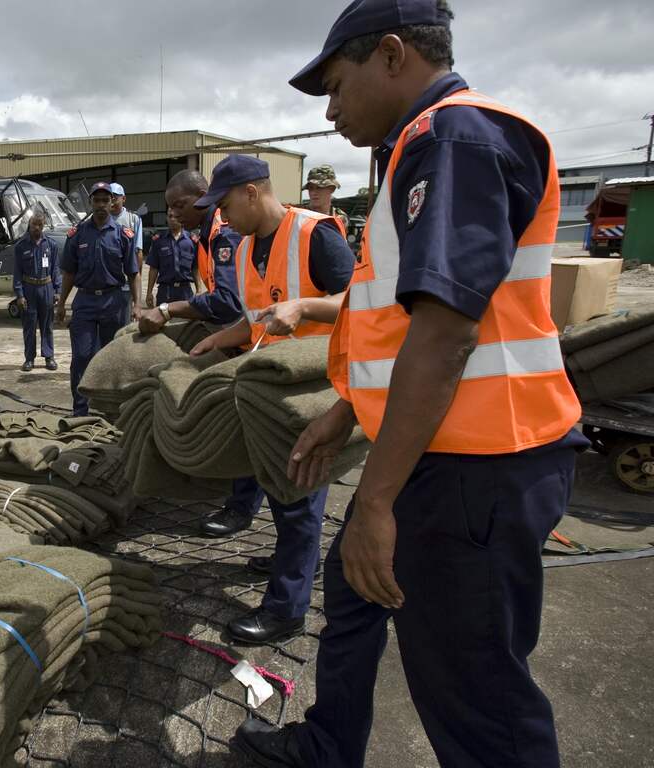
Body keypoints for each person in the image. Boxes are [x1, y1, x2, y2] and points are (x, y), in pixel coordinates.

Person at [232, 2, 588, 766]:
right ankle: (328, 746)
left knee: (477, 699)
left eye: (336, 85)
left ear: (393, 55)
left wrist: (377, 501)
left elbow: (447, 333)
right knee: (353, 589)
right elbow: (397, 320)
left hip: (477, 469)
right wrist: (345, 411)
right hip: (440, 451)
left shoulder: (452, 138)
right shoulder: (419, 151)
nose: (330, 111)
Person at [189, 154, 354, 645]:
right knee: (279, 487)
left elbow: (361, 304)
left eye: (224, 205)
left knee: (299, 493)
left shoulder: (314, 234)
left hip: (312, 387)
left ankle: (287, 610)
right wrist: (217, 340)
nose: (221, 216)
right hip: (270, 389)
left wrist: (304, 306)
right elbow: (255, 319)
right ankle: (294, 562)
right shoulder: (244, 249)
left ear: (252, 193)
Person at [139, 169, 263, 542]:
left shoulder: (223, 234)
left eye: (180, 204)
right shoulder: (206, 235)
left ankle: (241, 506)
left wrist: (170, 309)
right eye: (171, 207)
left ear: (202, 195)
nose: (175, 213)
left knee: (246, 426)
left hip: (254, 340)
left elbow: (228, 301)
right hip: (241, 334)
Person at [56, 182, 139, 416]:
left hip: (114, 303)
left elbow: (133, 273)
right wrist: (61, 303)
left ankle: (108, 410)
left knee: (111, 358)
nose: (101, 204)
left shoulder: (123, 235)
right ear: (90, 203)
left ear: (112, 202)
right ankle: (80, 411)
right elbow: (69, 273)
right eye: (97, 200)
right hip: (85, 302)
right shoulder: (77, 235)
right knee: (82, 356)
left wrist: (137, 304)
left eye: (105, 200)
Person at [13, 209, 61, 371]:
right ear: (30, 224)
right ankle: (29, 359)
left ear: (44, 225)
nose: (37, 228)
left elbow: (55, 269)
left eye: (40, 225)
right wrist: (19, 295)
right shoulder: (21, 246)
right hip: (29, 289)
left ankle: (49, 357)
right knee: (29, 326)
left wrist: (57, 291)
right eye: (34, 224)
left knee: (47, 325)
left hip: (46, 288)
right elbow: (17, 272)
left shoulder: (51, 245)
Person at [144, 209, 200, 308]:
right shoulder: (159, 241)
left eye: (176, 217)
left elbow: (195, 268)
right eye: (170, 216)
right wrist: (149, 292)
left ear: (182, 218)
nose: (173, 219)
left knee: (186, 317)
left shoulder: (191, 241)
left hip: (185, 292)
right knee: (163, 317)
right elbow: (153, 269)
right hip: (165, 292)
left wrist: (199, 290)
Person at [109, 182, 145, 326]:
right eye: (109, 197)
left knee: (123, 322)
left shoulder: (133, 219)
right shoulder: (101, 218)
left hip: (125, 281)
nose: (112, 200)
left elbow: (138, 251)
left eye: (115, 197)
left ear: (123, 199)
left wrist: (136, 277)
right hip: (106, 280)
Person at [305, 164, 350, 233]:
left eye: (319, 187)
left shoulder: (340, 218)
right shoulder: (300, 215)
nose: (313, 193)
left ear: (332, 189)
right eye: (310, 188)